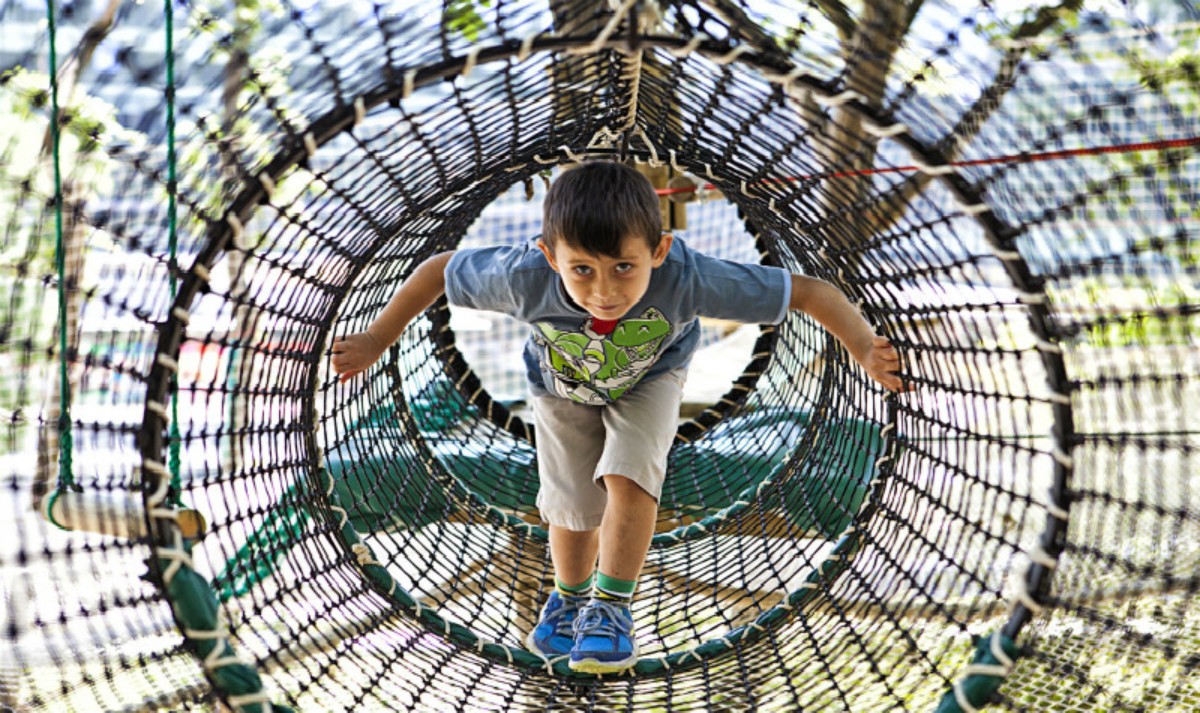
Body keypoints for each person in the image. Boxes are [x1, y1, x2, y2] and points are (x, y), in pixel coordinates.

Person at [330, 161, 907, 674]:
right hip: (558, 385)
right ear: (548, 255)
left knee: (628, 477)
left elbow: (808, 293)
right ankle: (569, 597)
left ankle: (610, 608)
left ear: (658, 252)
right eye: (580, 270)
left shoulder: (688, 277)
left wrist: (862, 346)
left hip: (652, 378)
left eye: (624, 268)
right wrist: (379, 337)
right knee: (572, 503)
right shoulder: (523, 277)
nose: (604, 292)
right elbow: (437, 270)